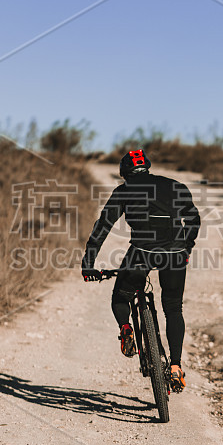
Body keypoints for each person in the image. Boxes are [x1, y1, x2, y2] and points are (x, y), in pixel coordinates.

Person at [81, 150, 200, 393]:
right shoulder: (175, 186)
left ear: (124, 173)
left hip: (141, 253)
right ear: (147, 167)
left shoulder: (123, 191)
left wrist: (89, 262)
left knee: (121, 296)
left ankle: (126, 328)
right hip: (175, 254)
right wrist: (186, 247)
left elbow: (103, 225)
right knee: (173, 307)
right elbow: (194, 219)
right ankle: (176, 366)